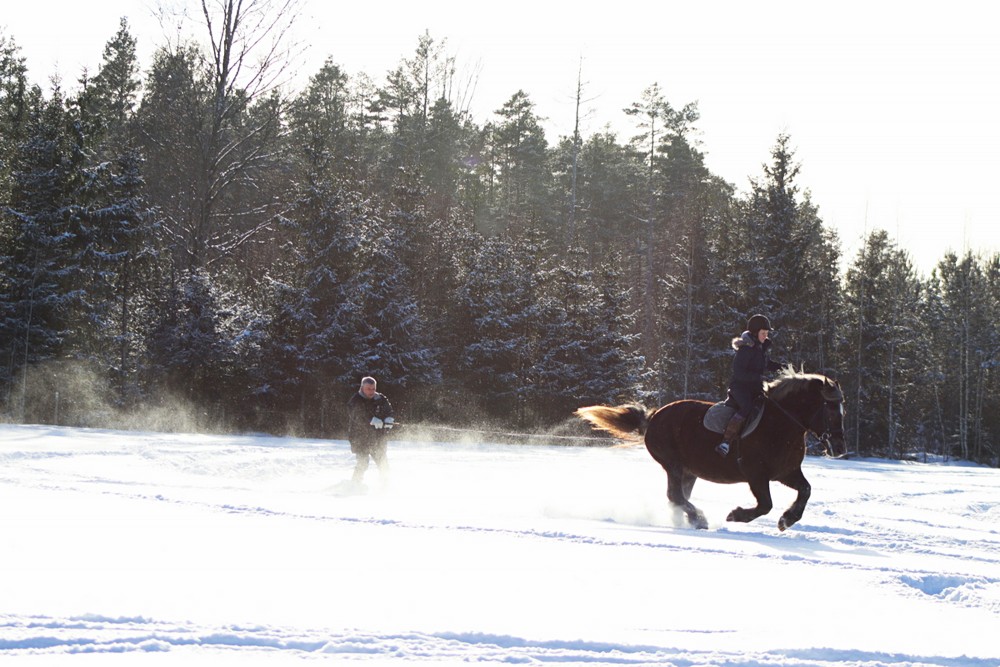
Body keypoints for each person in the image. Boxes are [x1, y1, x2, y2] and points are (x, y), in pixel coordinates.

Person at [716, 314, 783, 457]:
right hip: (739, 388)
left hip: (755, 387)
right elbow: (739, 372)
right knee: (747, 407)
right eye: (763, 333)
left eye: (767, 333)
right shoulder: (746, 349)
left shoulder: (761, 348)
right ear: (755, 332)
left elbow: (767, 364)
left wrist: (781, 367)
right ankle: (726, 441)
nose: (766, 336)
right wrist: (758, 377)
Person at [346, 376, 394, 484]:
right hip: (359, 437)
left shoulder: (380, 398)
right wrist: (371, 420)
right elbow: (356, 415)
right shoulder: (355, 400)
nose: (371, 391)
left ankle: (385, 485)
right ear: (362, 388)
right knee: (363, 463)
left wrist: (389, 418)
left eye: (373, 388)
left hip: (377, 437)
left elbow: (388, 410)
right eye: (368, 389)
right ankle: (355, 484)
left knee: (383, 463)